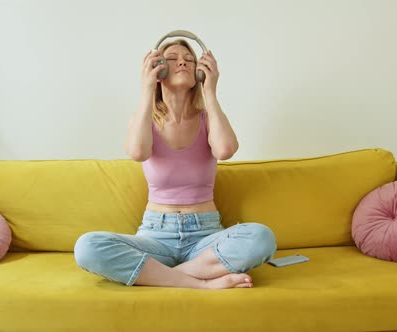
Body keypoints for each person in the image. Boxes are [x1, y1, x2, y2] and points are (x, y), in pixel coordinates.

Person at [74, 39, 277, 289]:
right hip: (155, 235)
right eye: (172, 58)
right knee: (87, 246)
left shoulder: (208, 118)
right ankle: (202, 283)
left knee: (261, 238)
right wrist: (147, 88)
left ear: (199, 72)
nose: (182, 61)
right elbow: (137, 152)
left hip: (205, 236)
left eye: (190, 59)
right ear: (158, 70)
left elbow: (225, 150)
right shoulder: (143, 120)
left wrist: (210, 91)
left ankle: (160, 277)